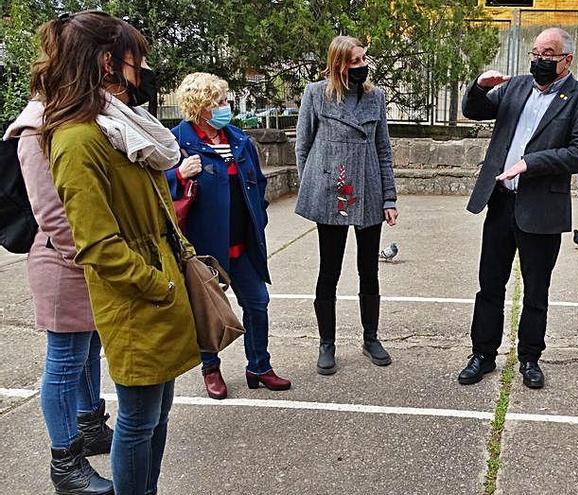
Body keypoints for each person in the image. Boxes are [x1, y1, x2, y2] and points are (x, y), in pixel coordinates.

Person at [33, 11, 201, 495]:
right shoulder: (78, 137)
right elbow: (97, 245)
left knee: (158, 414)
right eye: (136, 58)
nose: (143, 67)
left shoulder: (119, 125)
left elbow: (157, 209)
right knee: (138, 419)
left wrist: (182, 263)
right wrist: (160, 284)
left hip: (160, 286)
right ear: (107, 62)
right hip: (135, 298)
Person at [457, 28, 578, 390]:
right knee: (490, 284)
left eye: (548, 53)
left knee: (537, 290)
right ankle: (482, 355)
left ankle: (530, 358)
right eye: (535, 52)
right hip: (501, 202)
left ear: (567, 59)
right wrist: (478, 86)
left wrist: (531, 163)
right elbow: (474, 111)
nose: (539, 59)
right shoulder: (515, 87)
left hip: (542, 208)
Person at [4, 102, 113, 494]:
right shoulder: (35, 128)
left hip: (86, 259)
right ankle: (66, 465)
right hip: (64, 260)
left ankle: (92, 427)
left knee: (88, 350)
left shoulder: (74, 117)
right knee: (65, 361)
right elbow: (52, 214)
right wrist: (101, 256)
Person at [166, 72, 291, 399]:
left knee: (258, 303)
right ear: (200, 107)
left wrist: (259, 218)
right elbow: (155, 187)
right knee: (207, 312)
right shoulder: (176, 142)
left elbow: (258, 184)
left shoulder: (238, 139)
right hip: (204, 246)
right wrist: (179, 173)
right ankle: (211, 367)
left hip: (243, 242)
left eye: (225, 100)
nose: (226, 106)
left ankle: (259, 366)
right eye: (218, 102)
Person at [295, 35, 398, 376]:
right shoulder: (315, 94)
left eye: (363, 59)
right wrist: (316, 186)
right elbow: (303, 146)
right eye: (354, 62)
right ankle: (327, 344)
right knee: (330, 270)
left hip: (367, 190)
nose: (361, 67)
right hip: (332, 193)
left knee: (369, 269)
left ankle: (371, 338)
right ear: (337, 64)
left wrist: (389, 197)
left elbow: (383, 150)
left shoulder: (375, 97)